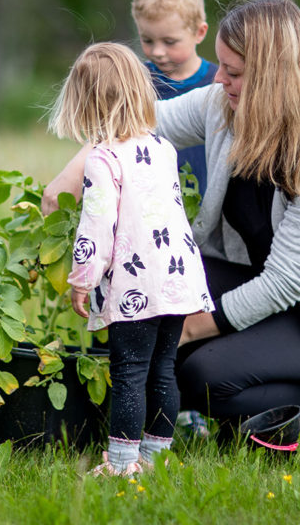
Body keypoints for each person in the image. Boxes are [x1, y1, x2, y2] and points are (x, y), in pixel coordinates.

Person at [43, 0, 300, 456]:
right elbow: (139, 123)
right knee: (144, 288)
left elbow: (285, 283)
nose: (218, 78)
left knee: (198, 373)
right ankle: (248, 407)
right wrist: (74, 170)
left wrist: (191, 326)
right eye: (221, 66)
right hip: (267, 293)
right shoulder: (224, 105)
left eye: (234, 72)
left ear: (273, 77)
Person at [48, 42, 214, 476]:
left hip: (137, 286)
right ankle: (156, 456)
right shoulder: (161, 147)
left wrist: (82, 279)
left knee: (129, 372)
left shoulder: (102, 158)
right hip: (177, 277)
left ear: (83, 106)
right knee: (163, 368)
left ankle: (122, 464)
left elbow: (96, 227)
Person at [130, 0, 217, 195]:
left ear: (199, 32)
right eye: (147, 40)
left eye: (169, 42)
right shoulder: (135, 82)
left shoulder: (220, 83)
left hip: (207, 207)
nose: (157, 51)